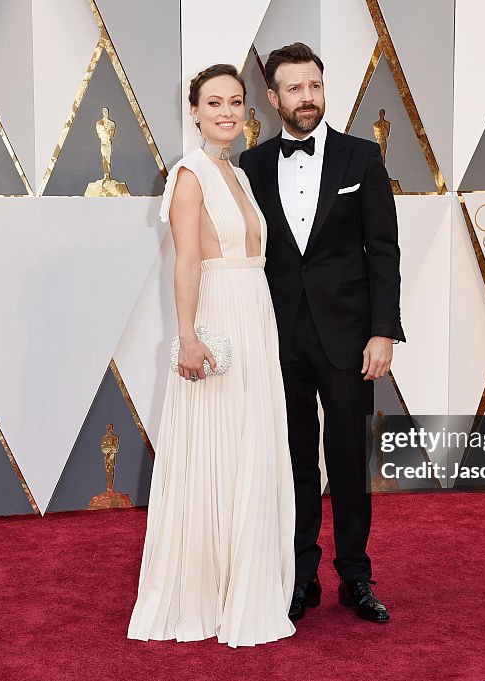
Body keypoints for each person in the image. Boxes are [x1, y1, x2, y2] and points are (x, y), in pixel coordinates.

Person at [128, 64, 295, 648]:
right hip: (218, 321)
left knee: (253, 446)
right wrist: (189, 336)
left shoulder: (239, 173)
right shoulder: (190, 174)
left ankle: (248, 585)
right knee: (219, 449)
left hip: (256, 315)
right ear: (194, 111)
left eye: (235, 102)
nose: (227, 111)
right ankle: (208, 594)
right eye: (214, 102)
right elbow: (186, 260)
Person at [239, 43, 405, 624]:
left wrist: (383, 332)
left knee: (348, 458)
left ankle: (355, 577)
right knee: (293, 461)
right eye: (294, 89)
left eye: (314, 86)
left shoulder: (362, 158)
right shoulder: (253, 166)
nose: (307, 97)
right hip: (278, 338)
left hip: (350, 338)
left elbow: (383, 251)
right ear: (274, 97)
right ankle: (299, 575)